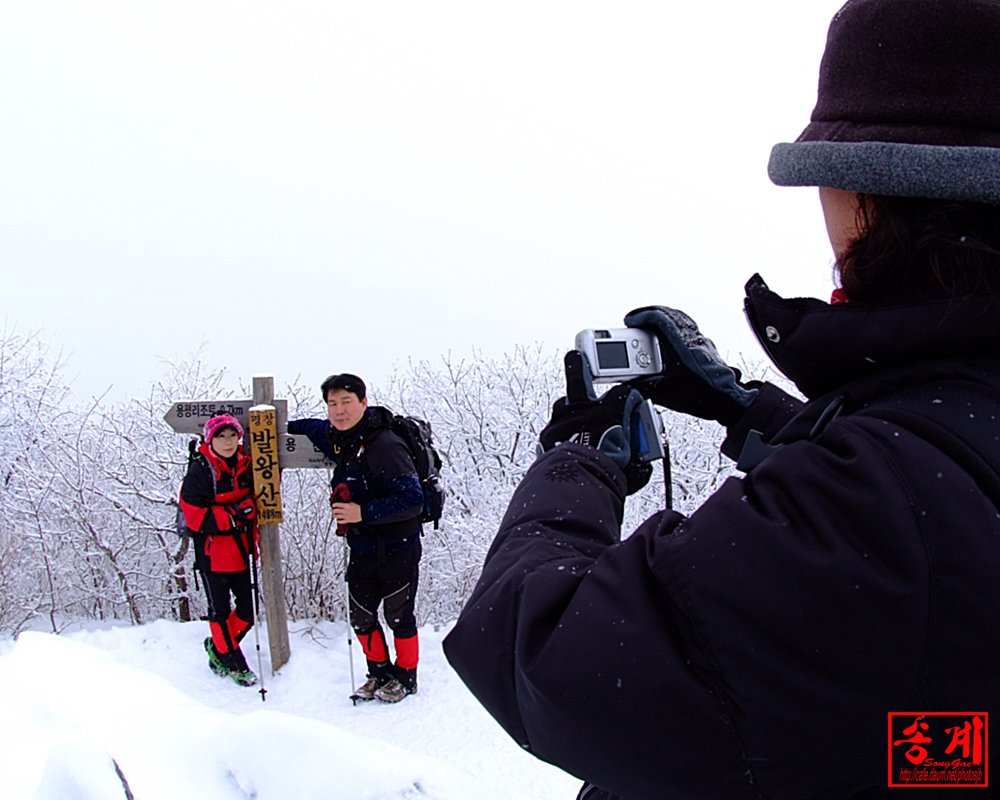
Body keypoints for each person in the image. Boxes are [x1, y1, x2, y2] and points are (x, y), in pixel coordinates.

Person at [442, 1, 1000, 798]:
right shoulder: (932, 447)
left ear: (880, 193)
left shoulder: (875, 511)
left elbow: (546, 655)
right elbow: (939, 452)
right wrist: (743, 407)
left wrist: (577, 462)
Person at [288, 373, 424, 703]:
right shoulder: (338, 437)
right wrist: (276, 426)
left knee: (398, 616)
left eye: (346, 402)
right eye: (332, 404)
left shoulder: (386, 446)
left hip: (398, 546)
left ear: (363, 403)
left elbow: (412, 499)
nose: (339, 410)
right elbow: (310, 427)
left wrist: (363, 513)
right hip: (362, 548)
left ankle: (406, 678)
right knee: (361, 616)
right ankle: (379, 673)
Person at [179, 414, 259, 687]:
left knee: (248, 612)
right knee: (220, 613)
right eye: (221, 436)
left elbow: (263, 494)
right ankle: (236, 664)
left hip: (242, 551)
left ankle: (217, 648)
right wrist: (235, 514)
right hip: (213, 556)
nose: (228, 442)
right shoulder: (200, 470)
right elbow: (194, 516)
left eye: (233, 436)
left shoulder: (246, 465)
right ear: (209, 439)